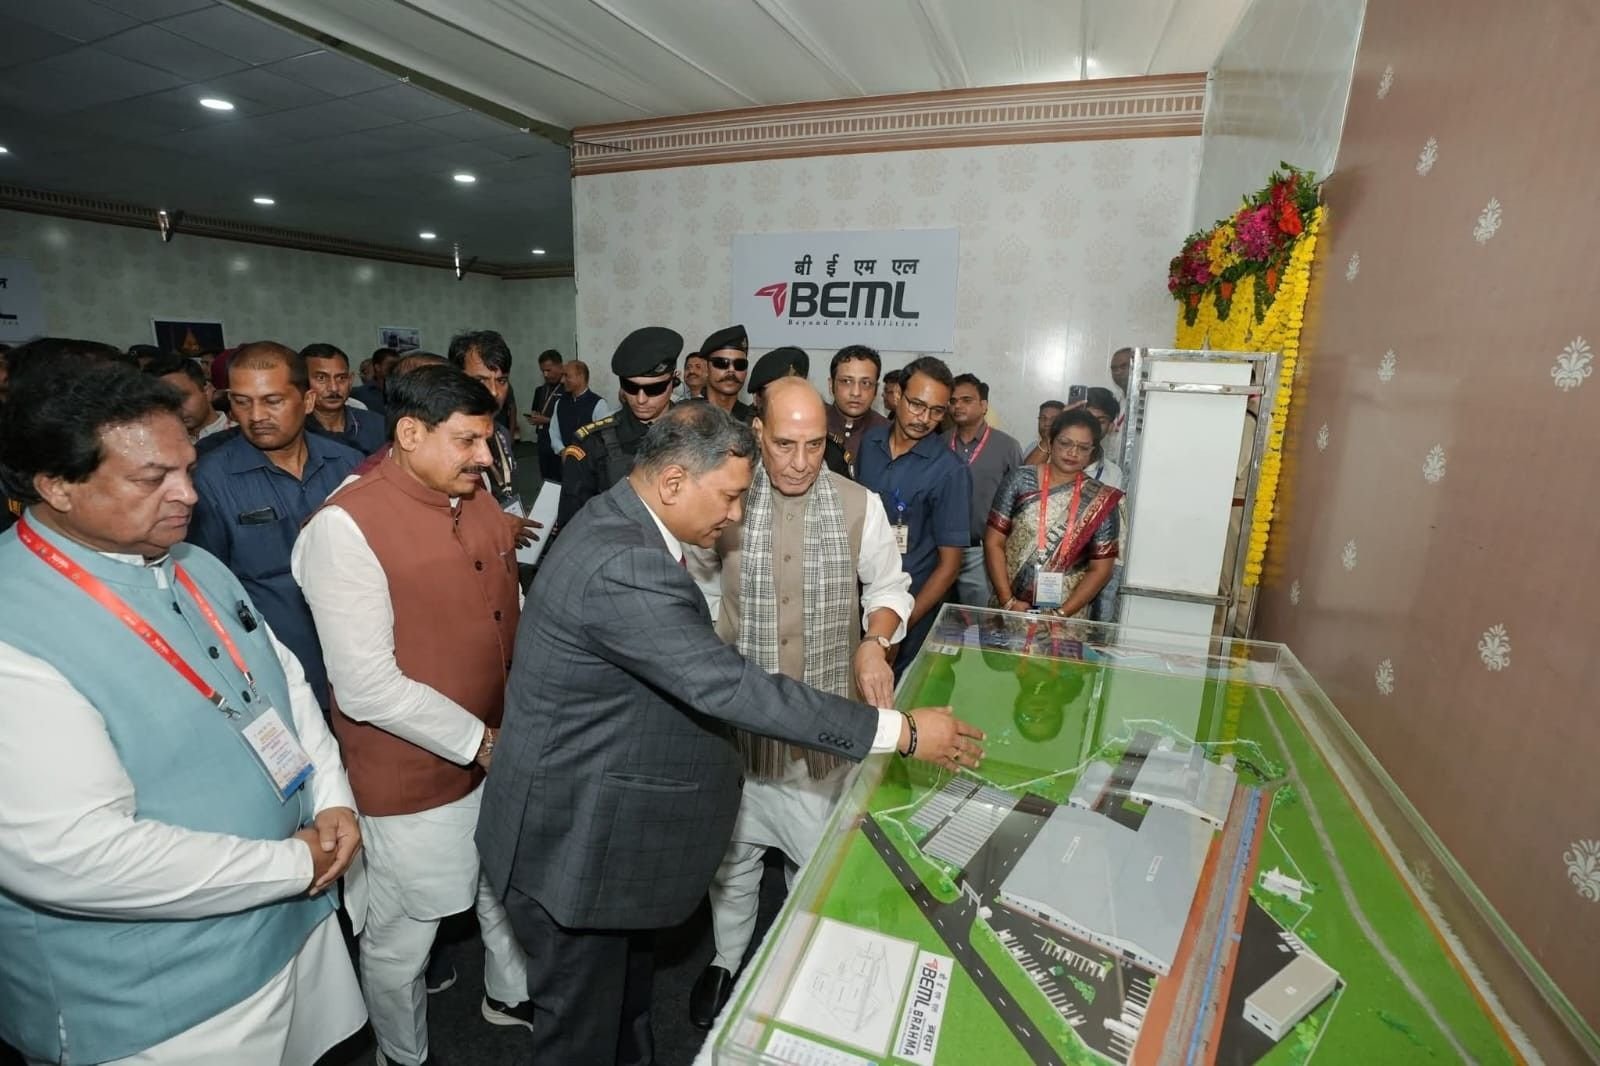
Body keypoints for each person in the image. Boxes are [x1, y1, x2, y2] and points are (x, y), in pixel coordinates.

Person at [476, 402, 982, 1065]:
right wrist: (903, 732)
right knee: (580, 1040)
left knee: (625, 1014)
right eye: (731, 497)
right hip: (571, 850)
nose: (738, 515)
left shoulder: (622, 520)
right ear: (675, 482)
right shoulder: (624, 563)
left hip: (599, 831)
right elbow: (729, 687)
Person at [0, 359, 365, 1066]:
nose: (189, 495)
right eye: (152, 479)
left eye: (189, 469)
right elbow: (72, 855)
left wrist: (333, 798)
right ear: (57, 485)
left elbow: (281, 683)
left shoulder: (195, 563)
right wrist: (290, 863)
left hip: (295, 924)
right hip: (164, 998)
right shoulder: (17, 625)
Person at [292, 365, 531, 1066]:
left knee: (500, 887)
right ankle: (402, 1052)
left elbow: (506, 609)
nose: (485, 458)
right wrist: (480, 741)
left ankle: (508, 993)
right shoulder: (345, 527)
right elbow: (366, 686)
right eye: (468, 442)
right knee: (405, 933)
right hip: (414, 776)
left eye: (488, 440)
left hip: (500, 748)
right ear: (409, 433)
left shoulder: (472, 492)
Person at [690, 378, 913, 1027]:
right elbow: (699, 598)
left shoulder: (859, 504)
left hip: (821, 732)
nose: (799, 461)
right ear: (758, 432)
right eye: (785, 444)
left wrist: (875, 642)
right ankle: (726, 958)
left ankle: (804, 966)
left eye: (814, 445)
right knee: (731, 861)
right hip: (738, 729)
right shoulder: (723, 500)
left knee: (815, 860)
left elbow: (890, 587)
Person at [189, 342, 362, 709]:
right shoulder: (209, 481)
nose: (256, 416)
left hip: (361, 660)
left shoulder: (349, 466)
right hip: (279, 675)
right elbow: (206, 591)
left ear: (308, 400)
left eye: (272, 401)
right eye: (241, 402)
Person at [855, 356, 971, 674]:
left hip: (912, 608)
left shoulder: (950, 471)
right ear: (897, 395)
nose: (924, 418)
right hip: (861, 596)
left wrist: (899, 626)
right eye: (917, 405)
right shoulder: (870, 443)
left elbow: (949, 567)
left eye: (937, 411)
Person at [985, 408, 1123, 620]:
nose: (1073, 453)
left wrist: (1060, 614)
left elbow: (1101, 570)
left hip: (1066, 619)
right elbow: (993, 542)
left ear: (1091, 452)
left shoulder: (1102, 500)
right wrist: (1008, 601)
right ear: (1050, 443)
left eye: (1083, 447)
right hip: (1009, 607)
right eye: (1065, 443)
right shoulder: (1019, 480)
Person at [555, 330, 677, 530]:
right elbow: (573, 523)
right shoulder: (593, 442)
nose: (641, 399)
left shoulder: (698, 431)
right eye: (630, 387)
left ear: (674, 381)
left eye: (653, 389)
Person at [946, 373, 1023, 606]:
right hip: (942, 550)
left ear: (984, 405)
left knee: (980, 619)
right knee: (941, 619)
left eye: (966, 400)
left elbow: (1019, 502)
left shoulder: (1007, 446)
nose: (958, 406)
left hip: (982, 552)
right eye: (953, 401)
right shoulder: (938, 443)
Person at [448, 330, 522, 508]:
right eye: (481, 380)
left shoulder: (501, 433)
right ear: (457, 380)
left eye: (501, 380)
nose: (494, 392)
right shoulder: (441, 442)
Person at [302, 343, 386, 455]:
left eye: (341, 378)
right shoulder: (294, 431)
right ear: (302, 382)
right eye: (321, 378)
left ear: (350, 381)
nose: (334, 388)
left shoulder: (377, 425)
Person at [826, 344, 888, 476]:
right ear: (831, 385)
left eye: (865, 383)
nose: (856, 392)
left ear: (876, 390)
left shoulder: (888, 434)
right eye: (846, 381)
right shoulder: (812, 425)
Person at [144, 352, 229, 441]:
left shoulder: (237, 435)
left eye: (182, 397)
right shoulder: (160, 443)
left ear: (207, 391)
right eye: (165, 402)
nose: (176, 408)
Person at [548, 358, 611, 456]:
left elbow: (605, 437)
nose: (562, 380)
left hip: (590, 461)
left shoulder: (598, 404)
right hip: (564, 459)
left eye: (567, 376)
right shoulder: (560, 402)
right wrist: (562, 450)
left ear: (581, 377)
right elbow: (554, 431)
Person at [698, 324, 756, 424]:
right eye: (722, 363)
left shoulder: (754, 422)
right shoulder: (688, 416)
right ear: (706, 368)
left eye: (739, 364)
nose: (731, 370)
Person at [525, 348, 566, 483]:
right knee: (546, 478)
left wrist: (547, 420)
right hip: (543, 440)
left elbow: (570, 419)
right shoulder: (540, 390)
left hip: (561, 441)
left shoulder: (568, 390)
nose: (546, 374)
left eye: (549, 370)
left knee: (561, 478)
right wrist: (534, 418)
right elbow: (535, 410)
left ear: (560, 366)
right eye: (543, 371)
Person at [1082, 387, 1126, 489]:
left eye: (1101, 421)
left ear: (1110, 426)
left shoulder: (1114, 474)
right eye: (1087, 418)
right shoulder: (1053, 458)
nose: (1093, 425)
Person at [351, 347, 399, 415]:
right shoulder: (360, 393)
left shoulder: (402, 391)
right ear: (378, 367)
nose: (396, 368)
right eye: (391, 365)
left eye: (398, 365)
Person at [1106, 346, 1133, 461]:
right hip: (1113, 465)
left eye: (1123, 366)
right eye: (1114, 368)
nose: (1118, 372)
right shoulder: (1113, 400)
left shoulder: (1147, 402)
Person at [1022, 398, 1066, 465]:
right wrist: (1047, 440)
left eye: (1053, 419)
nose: (1047, 423)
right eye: (1043, 418)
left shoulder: (1069, 450)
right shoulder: (1033, 446)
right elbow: (1026, 470)